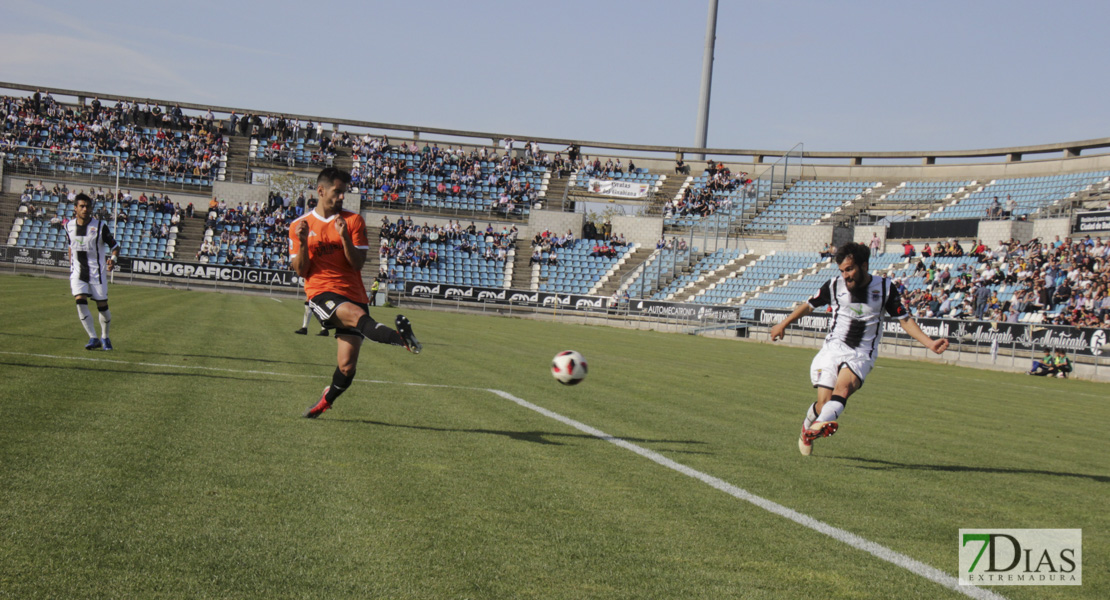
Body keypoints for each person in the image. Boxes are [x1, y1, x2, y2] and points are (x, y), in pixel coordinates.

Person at [769, 242, 949, 456]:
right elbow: (809, 305)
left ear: (864, 265)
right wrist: (783, 324)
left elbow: (904, 319)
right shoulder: (834, 285)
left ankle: (817, 427)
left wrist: (929, 343)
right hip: (833, 349)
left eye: (850, 269)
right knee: (824, 402)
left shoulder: (885, 288)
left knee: (843, 389)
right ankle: (809, 427)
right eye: (842, 271)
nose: (845, 275)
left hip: (862, 352)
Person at [290, 167, 422, 419]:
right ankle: (402, 340)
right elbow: (301, 270)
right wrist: (304, 241)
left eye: (344, 193)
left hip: (354, 293)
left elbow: (358, 264)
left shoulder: (353, 221)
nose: (342, 197)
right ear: (321, 191)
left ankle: (323, 403)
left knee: (347, 367)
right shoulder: (299, 225)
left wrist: (344, 238)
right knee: (354, 316)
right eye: (337, 192)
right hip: (321, 292)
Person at [65, 193, 120, 350]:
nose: (85, 209)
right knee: (80, 301)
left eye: (87, 206)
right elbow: (70, 246)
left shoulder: (100, 227)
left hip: (97, 272)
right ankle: (93, 337)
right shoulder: (68, 226)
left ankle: (105, 337)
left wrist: (113, 260)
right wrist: (71, 266)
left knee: (102, 307)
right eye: (81, 206)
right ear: (75, 208)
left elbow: (115, 247)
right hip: (78, 272)